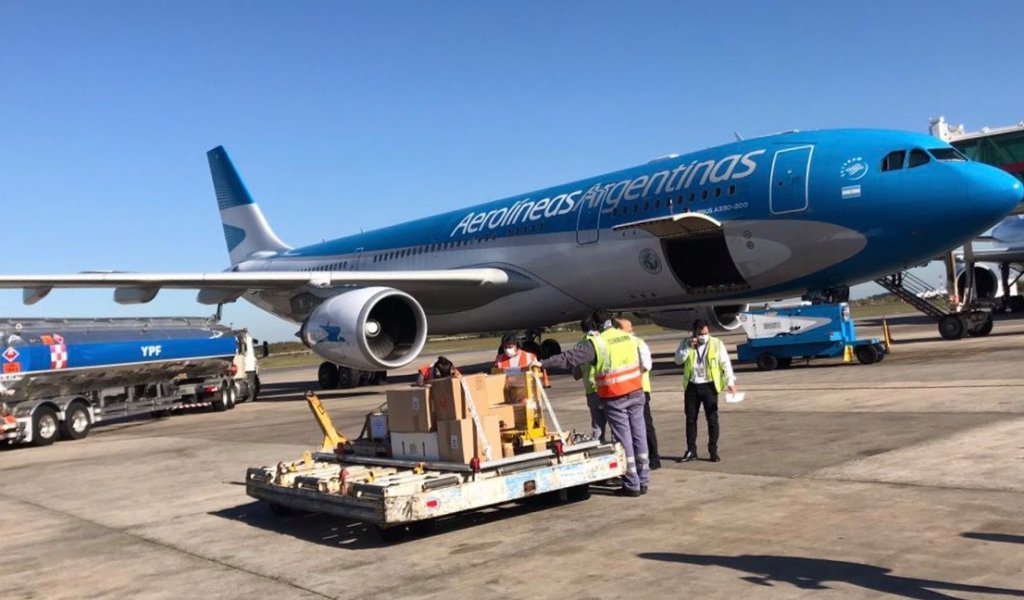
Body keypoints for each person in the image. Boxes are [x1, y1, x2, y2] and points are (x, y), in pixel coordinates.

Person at [538, 310, 650, 497]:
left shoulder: (597, 343)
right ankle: (644, 479)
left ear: (596, 327)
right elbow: (644, 362)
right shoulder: (629, 338)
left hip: (615, 396)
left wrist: (542, 363)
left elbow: (569, 359)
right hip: (636, 391)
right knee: (639, 433)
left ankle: (632, 484)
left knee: (624, 439)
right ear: (611, 322)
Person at [673, 318, 737, 463]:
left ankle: (713, 450)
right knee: (690, 420)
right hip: (692, 386)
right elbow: (677, 360)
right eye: (700, 334)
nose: (703, 336)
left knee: (712, 420)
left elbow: (725, 363)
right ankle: (691, 450)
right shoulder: (685, 343)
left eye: (706, 333)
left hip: (709, 386)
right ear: (694, 333)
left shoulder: (716, 343)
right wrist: (688, 348)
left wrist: (730, 382)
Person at [616, 317, 660, 470]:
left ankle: (654, 458)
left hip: (640, 389)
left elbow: (647, 365)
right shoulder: (621, 345)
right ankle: (637, 457)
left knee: (645, 425)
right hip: (624, 389)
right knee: (630, 427)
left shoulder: (638, 343)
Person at [572, 316, 607, 442]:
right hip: (607, 387)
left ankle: (598, 448)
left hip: (591, 391)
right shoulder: (602, 341)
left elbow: (576, 374)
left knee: (597, 427)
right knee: (616, 424)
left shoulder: (579, 346)